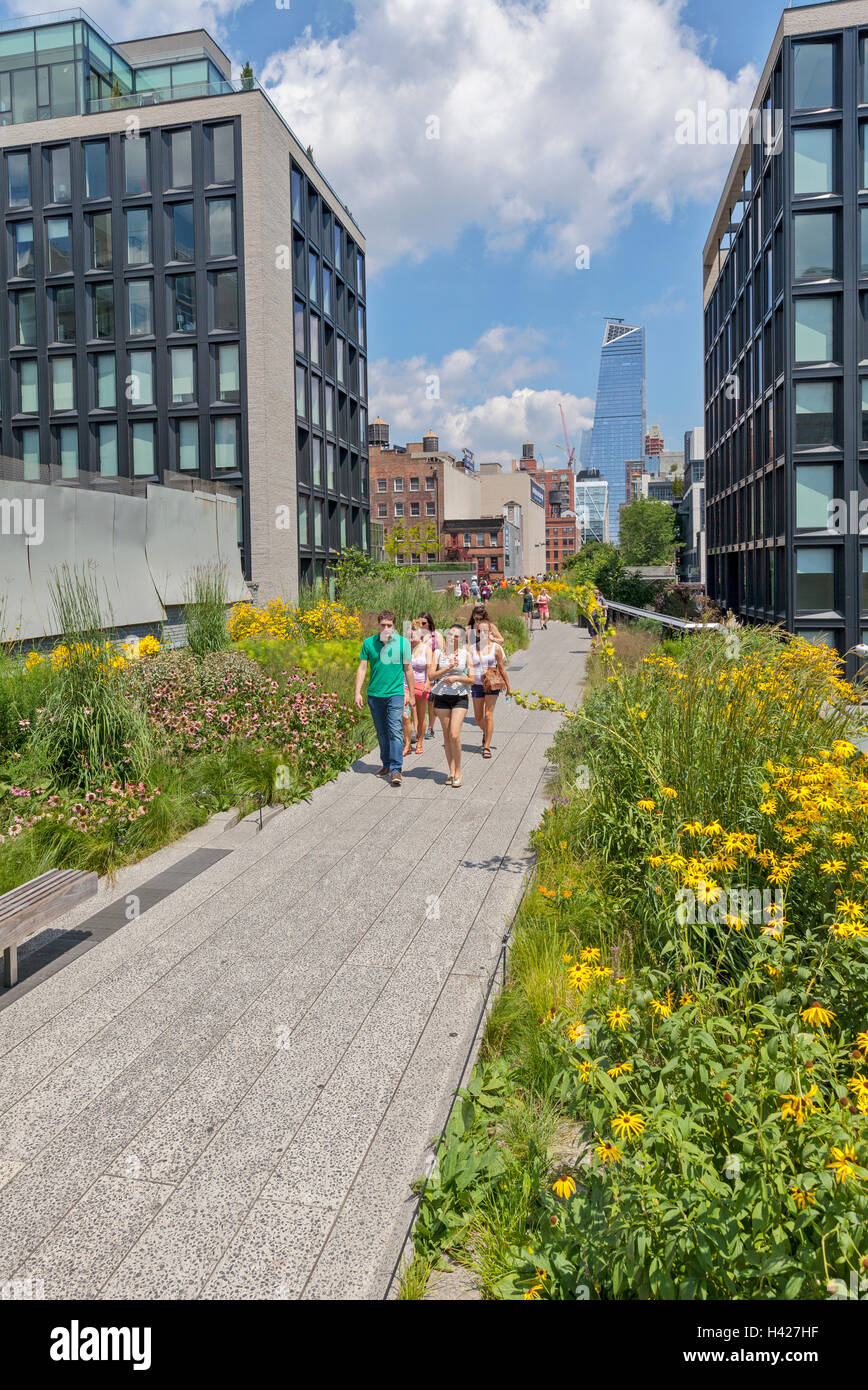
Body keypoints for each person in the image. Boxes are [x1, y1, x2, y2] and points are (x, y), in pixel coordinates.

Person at [354, 610, 414, 787]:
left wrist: (410, 693)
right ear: (378, 625)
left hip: (396, 693)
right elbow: (362, 668)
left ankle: (396, 769)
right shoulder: (369, 643)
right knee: (381, 732)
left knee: (395, 729)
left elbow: (408, 669)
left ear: (394, 626)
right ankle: (386, 764)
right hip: (375, 694)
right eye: (383, 625)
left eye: (390, 625)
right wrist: (357, 692)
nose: (386, 628)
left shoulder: (402, 643)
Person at [428, 623, 474, 787]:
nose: (452, 637)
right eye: (450, 634)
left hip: (460, 696)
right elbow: (431, 674)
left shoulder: (465, 654)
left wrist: (457, 677)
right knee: (447, 736)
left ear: (460, 638)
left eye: (456, 635)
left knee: (454, 734)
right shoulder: (438, 653)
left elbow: (472, 679)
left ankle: (459, 771)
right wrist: (448, 667)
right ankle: (452, 771)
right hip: (441, 696)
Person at [468, 618, 510, 757]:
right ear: (478, 633)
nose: (484, 633)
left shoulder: (496, 648)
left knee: (488, 715)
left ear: (490, 632)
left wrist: (509, 687)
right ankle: (487, 731)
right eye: (481, 631)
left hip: (492, 684)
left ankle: (487, 746)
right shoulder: (472, 648)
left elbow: (502, 669)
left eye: (486, 630)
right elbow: (468, 667)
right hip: (477, 685)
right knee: (478, 718)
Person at [416, 611, 444, 739]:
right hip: (418, 672)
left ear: (429, 623)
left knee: (430, 701)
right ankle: (418, 728)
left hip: (432, 671)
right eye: (419, 623)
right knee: (417, 701)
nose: (422, 625)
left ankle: (430, 728)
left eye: (424, 623)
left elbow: (443, 652)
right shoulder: (415, 635)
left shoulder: (436, 635)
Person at [408, 621, 432, 755]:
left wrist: (427, 682)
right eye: (410, 634)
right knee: (405, 715)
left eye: (414, 633)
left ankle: (420, 742)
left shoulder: (426, 649)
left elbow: (430, 668)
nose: (412, 637)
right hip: (406, 685)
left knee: (421, 715)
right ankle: (407, 743)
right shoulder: (406, 648)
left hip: (421, 685)